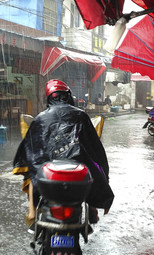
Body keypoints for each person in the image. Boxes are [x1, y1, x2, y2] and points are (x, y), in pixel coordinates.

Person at [12, 79, 114, 227]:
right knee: (92, 168)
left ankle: (32, 213)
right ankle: (92, 210)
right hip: (77, 170)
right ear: (68, 96)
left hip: (49, 173)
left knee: (32, 172)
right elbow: (96, 150)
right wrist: (105, 173)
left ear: (49, 98)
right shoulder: (81, 116)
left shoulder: (40, 119)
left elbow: (30, 152)